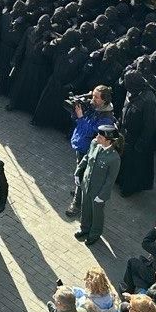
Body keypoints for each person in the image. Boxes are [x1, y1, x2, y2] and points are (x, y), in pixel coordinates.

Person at [67, 87, 116, 217]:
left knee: (82, 173)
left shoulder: (107, 118)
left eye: (96, 97)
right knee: (80, 171)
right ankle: (79, 190)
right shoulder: (93, 106)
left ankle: (76, 204)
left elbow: (90, 132)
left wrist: (81, 116)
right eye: (92, 95)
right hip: (81, 143)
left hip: (89, 149)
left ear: (104, 100)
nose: (92, 99)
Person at [75, 124, 121, 244]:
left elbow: (110, 180)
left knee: (97, 214)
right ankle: (84, 228)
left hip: (98, 191)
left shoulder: (114, 158)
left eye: (100, 136)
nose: (97, 137)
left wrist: (102, 196)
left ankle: (95, 233)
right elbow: (86, 158)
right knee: (85, 207)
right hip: (87, 184)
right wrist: (78, 172)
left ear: (108, 140)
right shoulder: (94, 144)